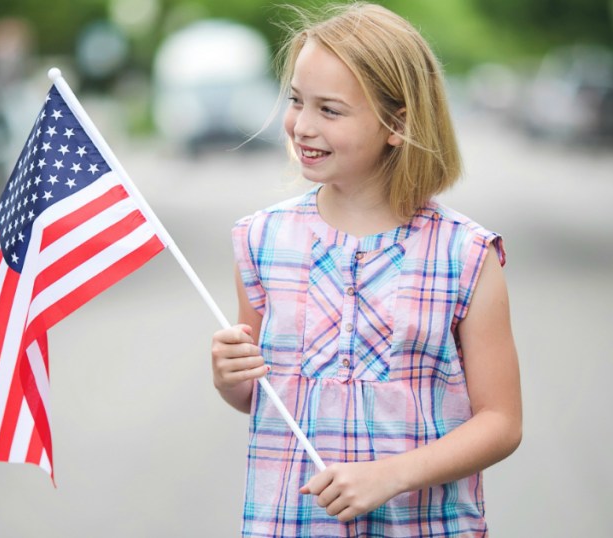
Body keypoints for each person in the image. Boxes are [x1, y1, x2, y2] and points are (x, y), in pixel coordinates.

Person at [209, 3, 522, 536]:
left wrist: (391, 476)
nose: (302, 125)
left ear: (397, 124)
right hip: (292, 523)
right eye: (296, 101)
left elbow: (501, 422)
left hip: (423, 525)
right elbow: (257, 397)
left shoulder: (465, 255)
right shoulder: (260, 240)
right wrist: (228, 378)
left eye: (329, 110)